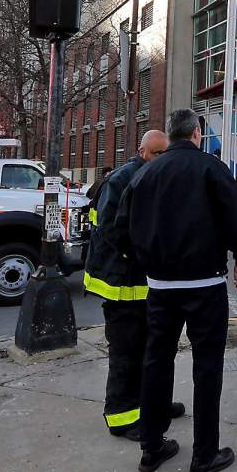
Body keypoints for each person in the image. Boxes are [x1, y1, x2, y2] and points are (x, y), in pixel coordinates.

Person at [124, 108, 237, 472]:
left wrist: (147, 262)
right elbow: (235, 221)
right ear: (197, 133)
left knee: (156, 362)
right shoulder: (211, 168)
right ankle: (204, 456)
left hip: (160, 287)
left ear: (171, 135)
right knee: (207, 367)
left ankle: (151, 448)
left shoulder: (145, 172)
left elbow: (122, 227)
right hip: (205, 285)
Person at [82, 135, 182, 440]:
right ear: (141, 151)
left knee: (149, 350)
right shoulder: (124, 179)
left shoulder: (151, 175)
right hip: (121, 284)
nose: (160, 158)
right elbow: (112, 229)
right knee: (127, 353)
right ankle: (122, 418)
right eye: (156, 153)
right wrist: (145, 255)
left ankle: (154, 405)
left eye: (164, 153)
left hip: (141, 284)